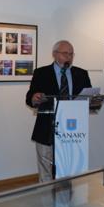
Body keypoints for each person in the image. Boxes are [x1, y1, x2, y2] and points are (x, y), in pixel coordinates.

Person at [26, 40, 91, 182]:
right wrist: (34, 98)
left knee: (69, 168)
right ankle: (46, 199)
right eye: (65, 53)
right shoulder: (41, 73)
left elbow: (88, 97)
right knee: (46, 169)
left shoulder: (81, 74)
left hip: (72, 130)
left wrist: (92, 100)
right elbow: (30, 97)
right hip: (46, 126)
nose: (68, 57)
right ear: (54, 54)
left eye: (71, 54)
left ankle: (68, 199)